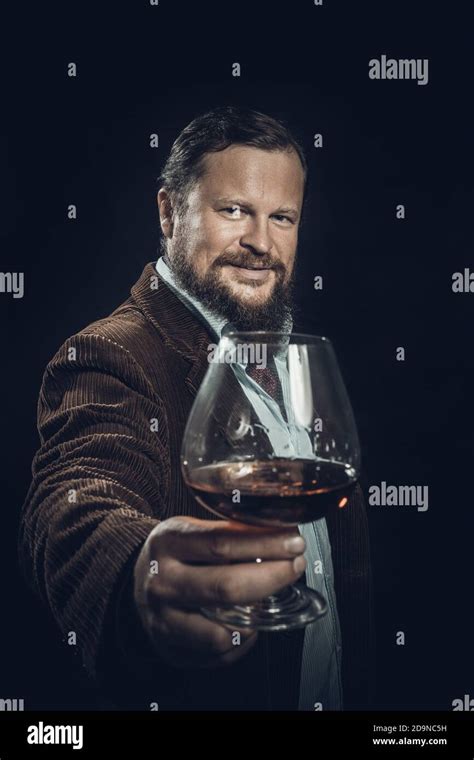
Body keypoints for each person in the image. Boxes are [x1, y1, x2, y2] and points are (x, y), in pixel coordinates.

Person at [18, 105, 374, 711]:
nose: (260, 242)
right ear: (168, 212)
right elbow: (75, 500)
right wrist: (139, 575)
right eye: (233, 210)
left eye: (282, 217)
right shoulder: (109, 354)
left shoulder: (294, 356)